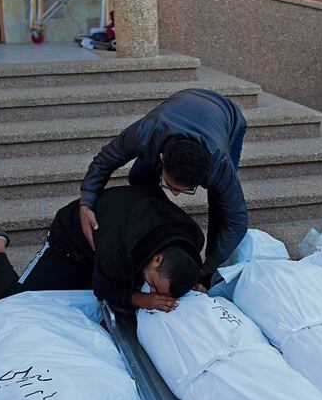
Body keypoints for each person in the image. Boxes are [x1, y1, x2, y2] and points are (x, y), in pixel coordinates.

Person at [78, 88, 248, 282]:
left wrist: (207, 267)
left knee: (221, 204)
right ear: (161, 158)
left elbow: (236, 221)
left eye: (185, 190)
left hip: (228, 115)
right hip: (178, 109)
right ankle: (155, 236)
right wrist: (86, 202)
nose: (175, 195)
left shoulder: (219, 164)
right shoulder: (146, 132)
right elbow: (104, 160)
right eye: (170, 186)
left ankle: (208, 276)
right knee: (139, 177)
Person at [0, 185, 204, 312]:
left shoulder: (191, 237)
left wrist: (193, 282)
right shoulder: (119, 246)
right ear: (158, 259)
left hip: (109, 246)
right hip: (70, 246)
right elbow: (104, 289)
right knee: (15, 304)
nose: (154, 291)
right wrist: (142, 299)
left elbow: (189, 267)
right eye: (155, 286)